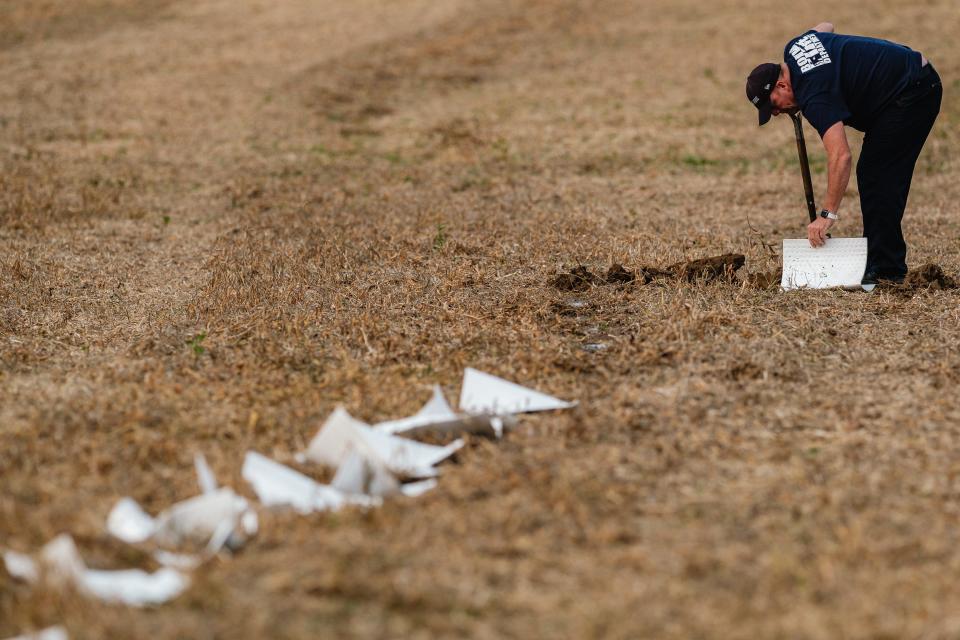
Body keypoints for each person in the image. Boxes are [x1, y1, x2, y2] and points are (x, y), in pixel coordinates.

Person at [745, 23, 942, 285]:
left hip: (913, 91)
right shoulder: (795, 47)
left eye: (774, 106)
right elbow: (825, 26)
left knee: (877, 173)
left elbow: (840, 156)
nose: (777, 113)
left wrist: (827, 215)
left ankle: (887, 269)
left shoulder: (814, 96)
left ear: (782, 84)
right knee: (875, 170)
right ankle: (882, 262)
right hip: (908, 74)